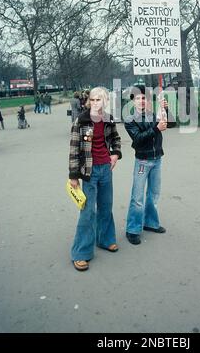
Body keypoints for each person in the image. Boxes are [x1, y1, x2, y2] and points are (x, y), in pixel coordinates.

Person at [69, 87, 122, 271]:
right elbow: (74, 149)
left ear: (105, 101)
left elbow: (116, 138)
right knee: (88, 212)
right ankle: (81, 253)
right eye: (92, 99)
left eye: (99, 99)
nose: (95, 102)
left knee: (106, 206)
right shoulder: (81, 120)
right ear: (89, 101)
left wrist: (115, 154)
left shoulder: (108, 119)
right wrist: (73, 175)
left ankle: (105, 239)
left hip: (106, 169)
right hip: (88, 172)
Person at [124, 85, 175, 245]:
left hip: (157, 159)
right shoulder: (130, 120)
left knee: (153, 195)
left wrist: (166, 109)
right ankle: (132, 229)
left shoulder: (154, 115)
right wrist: (156, 129)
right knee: (137, 198)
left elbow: (171, 124)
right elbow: (138, 139)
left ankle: (150, 223)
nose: (141, 101)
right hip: (142, 161)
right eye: (137, 98)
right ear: (133, 101)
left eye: (144, 98)